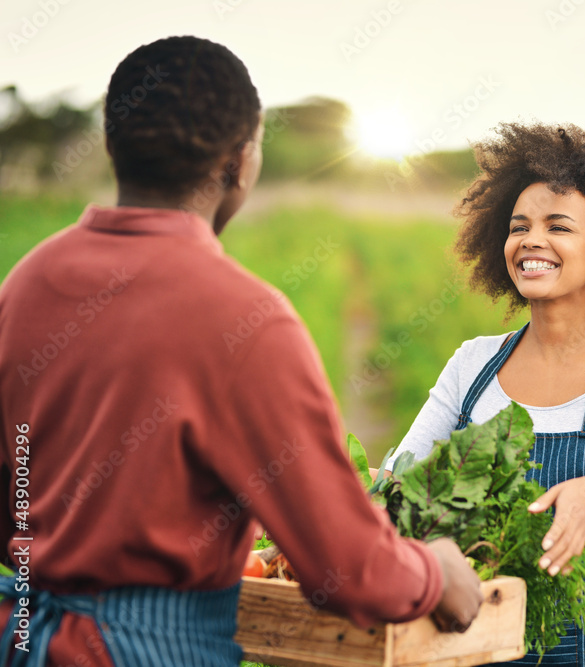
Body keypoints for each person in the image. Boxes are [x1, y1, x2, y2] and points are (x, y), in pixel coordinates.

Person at [0, 36, 481, 667]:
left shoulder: (27, 283)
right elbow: (351, 568)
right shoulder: (243, 319)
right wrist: (435, 571)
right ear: (240, 161)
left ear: (113, 146)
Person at [388, 122, 585, 665]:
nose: (532, 240)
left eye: (559, 226)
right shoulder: (473, 363)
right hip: (474, 644)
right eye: (518, 226)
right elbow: (402, 475)